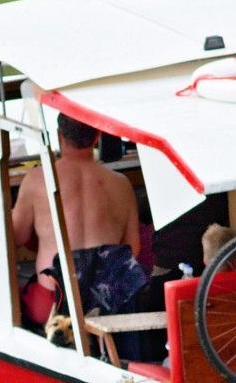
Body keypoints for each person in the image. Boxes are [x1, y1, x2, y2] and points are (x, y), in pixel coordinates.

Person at [12, 113, 149, 332]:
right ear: (98, 135)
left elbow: (16, 236)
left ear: (58, 136)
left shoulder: (37, 180)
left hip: (53, 304)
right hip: (107, 305)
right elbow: (133, 248)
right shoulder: (121, 184)